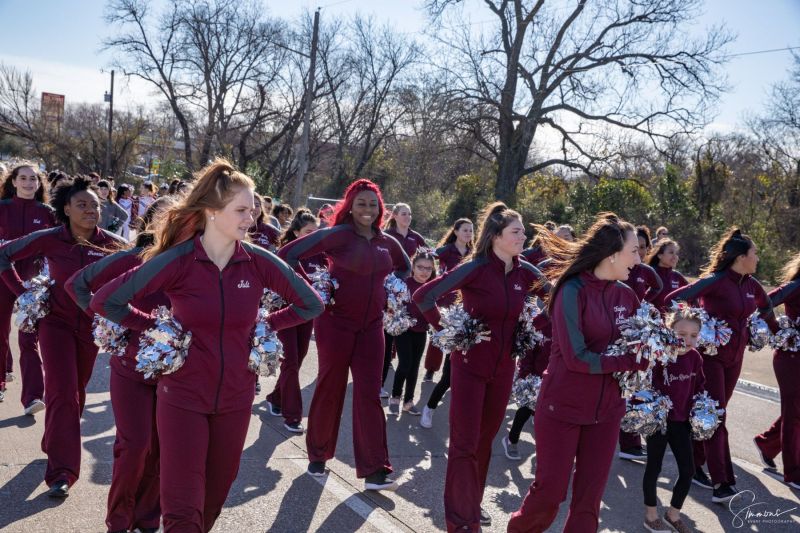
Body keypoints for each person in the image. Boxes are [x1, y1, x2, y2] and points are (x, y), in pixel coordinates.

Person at [89, 159, 323, 531]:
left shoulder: (259, 261)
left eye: (253, 210)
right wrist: (154, 326)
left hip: (236, 399)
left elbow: (311, 303)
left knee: (212, 502)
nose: (252, 219)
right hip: (181, 397)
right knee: (182, 510)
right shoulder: (178, 259)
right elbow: (106, 300)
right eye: (242, 210)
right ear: (213, 212)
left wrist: (262, 327)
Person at [507, 212, 650, 533]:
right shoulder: (571, 290)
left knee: (589, 502)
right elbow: (577, 358)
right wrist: (629, 361)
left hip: (608, 412)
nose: (639, 259)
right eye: (633, 251)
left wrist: (662, 348)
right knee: (550, 495)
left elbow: (642, 343)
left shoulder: (627, 295)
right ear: (612, 254)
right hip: (563, 409)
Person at [413, 202, 550, 531]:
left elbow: (558, 299)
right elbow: (424, 296)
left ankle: (471, 503)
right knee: (464, 443)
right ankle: (460, 521)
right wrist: (448, 333)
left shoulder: (525, 272)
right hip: (469, 366)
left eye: (523, 231)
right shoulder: (474, 267)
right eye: (516, 231)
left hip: (504, 369)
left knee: (486, 440)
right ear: (496, 236)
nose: (523, 236)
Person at [279, 178, 410, 491]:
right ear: (350, 206)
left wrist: (391, 291)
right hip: (335, 324)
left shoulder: (386, 242)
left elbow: (404, 268)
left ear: (381, 209)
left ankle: (376, 469)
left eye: (373, 204)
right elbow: (288, 254)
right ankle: (318, 456)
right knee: (330, 387)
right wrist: (310, 288)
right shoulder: (337, 235)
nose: (367, 209)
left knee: (369, 393)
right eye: (361, 203)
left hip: (372, 329)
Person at [0, 176, 126, 497]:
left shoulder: (112, 243)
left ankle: (53, 439)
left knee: (77, 392)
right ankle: (62, 472)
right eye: (82, 205)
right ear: (66, 209)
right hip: (54, 324)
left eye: (95, 205)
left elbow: (140, 274)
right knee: (62, 391)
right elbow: (3, 255)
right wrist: (24, 294)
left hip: (89, 328)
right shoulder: (50, 238)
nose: (90, 210)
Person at [65, 197, 173, 533]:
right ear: (150, 223)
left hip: (174, 375)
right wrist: (109, 323)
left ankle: (147, 516)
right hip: (131, 371)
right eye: (164, 219)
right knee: (135, 445)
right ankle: (119, 519)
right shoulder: (131, 258)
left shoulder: (195, 262)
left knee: (161, 449)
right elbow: (77, 285)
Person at [664, 228, 773, 503]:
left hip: (735, 360)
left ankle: (693, 464)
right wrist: (698, 326)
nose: (757, 257)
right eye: (754, 253)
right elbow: (673, 300)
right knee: (717, 415)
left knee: (711, 415)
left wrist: (773, 330)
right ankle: (722, 483)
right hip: (710, 359)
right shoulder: (716, 280)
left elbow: (767, 306)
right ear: (740, 257)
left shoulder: (751, 284)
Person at [642, 307, 705, 533]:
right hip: (659, 421)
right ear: (670, 332)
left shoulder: (696, 358)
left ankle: (672, 514)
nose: (688, 340)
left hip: (681, 423)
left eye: (694, 336)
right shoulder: (660, 356)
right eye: (682, 335)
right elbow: (644, 385)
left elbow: (699, 387)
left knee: (688, 470)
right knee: (654, 467)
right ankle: (650, 515)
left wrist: (701, 411)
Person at [0, 163, 56, 413]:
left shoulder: (47, 213)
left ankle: (33, 396)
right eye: (23, 178)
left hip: (33, 283)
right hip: (2, 278)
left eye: (33, 179)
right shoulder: (2, 208)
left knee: (28, 338)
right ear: (13, 181)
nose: (28, 183)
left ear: (39, 183)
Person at [265, 208, 322, 432]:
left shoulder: (321, 255)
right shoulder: (284, 253)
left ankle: (275, 398)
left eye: (316, 233)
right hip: (286, 312)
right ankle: (292, 415)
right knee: (289, 362)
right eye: (308, 232)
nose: (313, 237)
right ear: (296, 233)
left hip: (306, 316)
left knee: (297, 362)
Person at [753, 252, 800, 491]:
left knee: (796, 411)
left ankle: (767, 444)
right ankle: (793, 473)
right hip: (791, 358)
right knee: (793, 414)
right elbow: (764, 301)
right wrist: (778, 328)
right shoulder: (795, 286)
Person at [619, 226, 663, 461]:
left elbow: (659, 287)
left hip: (637, 331)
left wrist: (643, 303)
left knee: (635, 383)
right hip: (616, 328)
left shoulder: (645, 270)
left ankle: (630, 439)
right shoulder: (617, 268)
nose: (642, 252)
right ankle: (625, 441)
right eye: (637, 247)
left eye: (645, 247)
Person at [381, 203, 428, 397]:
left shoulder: (416, 237)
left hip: (410, 294)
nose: (407, 217)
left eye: (409, 213)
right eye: (403, 214)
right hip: (391, 292)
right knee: (386, 340)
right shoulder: (387, 235)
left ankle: (403, 394)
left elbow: (428, 258)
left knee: (405, 346)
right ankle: (379, 384)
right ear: (395, 215)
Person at [421, 218, 474, 384]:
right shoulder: (447, 250)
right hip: (445, 301)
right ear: (456, 231)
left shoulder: (474, 252)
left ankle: (451, 373)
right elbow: (427, 257)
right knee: (439, 335)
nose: (468, 233)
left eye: (471, 230)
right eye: (465, 230)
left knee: (460, 337)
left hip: (465, 301)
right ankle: (430, 370)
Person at [387, 251, 436, 416]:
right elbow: (391, 305)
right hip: (403, 330)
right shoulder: (403, 284)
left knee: (414, 367)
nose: (424, 271)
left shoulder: (433, 286)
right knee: (405, 364)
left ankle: (408, 401)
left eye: (428, 269)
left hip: (421, 331)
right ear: (413, 267)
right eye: (420, 267)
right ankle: (395, 397)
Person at [647, 239, 688, 314]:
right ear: (660, 255)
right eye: (671, 252)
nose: (675, 256)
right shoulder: (649, 273)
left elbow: (691, 295)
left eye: (676, 253)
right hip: (651, 323)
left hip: (672, 323)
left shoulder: (677, 276)